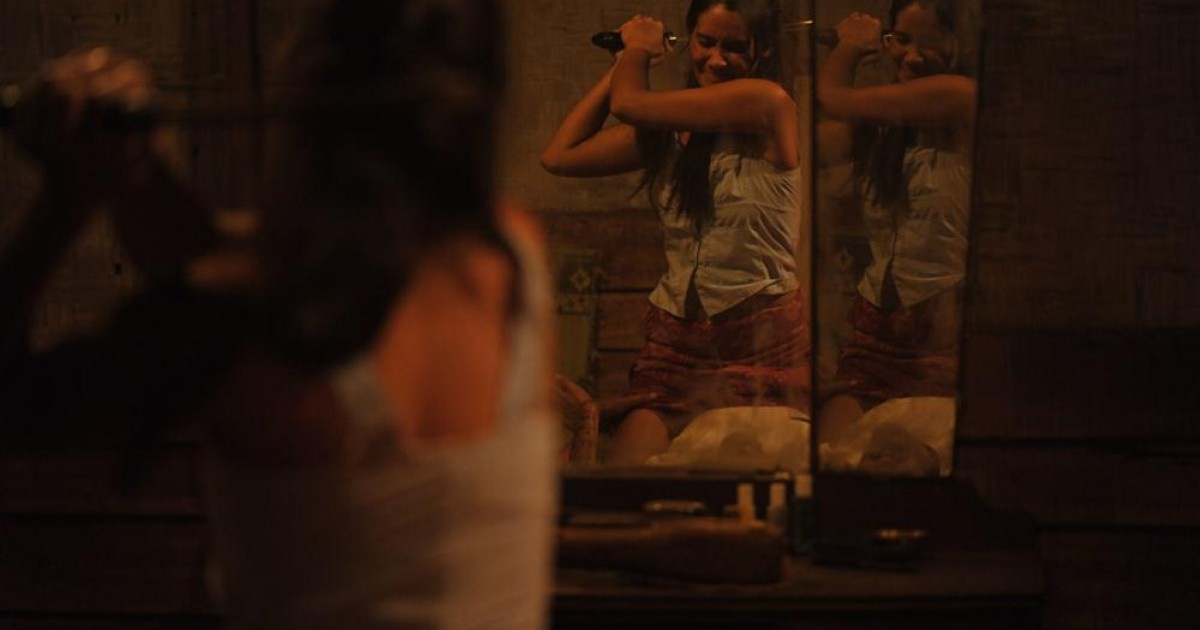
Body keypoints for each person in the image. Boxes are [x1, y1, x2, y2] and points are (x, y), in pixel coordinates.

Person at [2, 0, 559, 627]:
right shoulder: (513, 257)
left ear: (310, 90)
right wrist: (137, 172)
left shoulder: (236, 325)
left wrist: (65, 201)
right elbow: (241, 262)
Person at [541, 0, 811, 465]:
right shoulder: (670, 134)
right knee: (629, 465)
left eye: (734, 47)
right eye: (706, 43)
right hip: (674, 349)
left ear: (763, 51)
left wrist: (638, 52)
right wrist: (623, 61)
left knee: (739, 462)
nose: (717, 60)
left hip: (760, 344)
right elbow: (560, 156)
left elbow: (629, 104)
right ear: (689, 42)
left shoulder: (770, 103)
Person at [814, 0, 979, 452]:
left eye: (930, 43)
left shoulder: (961, 95)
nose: (912, 56)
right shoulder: (882, 126)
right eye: (901, 39)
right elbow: (812, 142)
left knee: (915, 457)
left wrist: (848, 47)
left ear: (959, 44)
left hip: (943, 331)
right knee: (835, 453)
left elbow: (833, 97)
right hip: (877, 331)